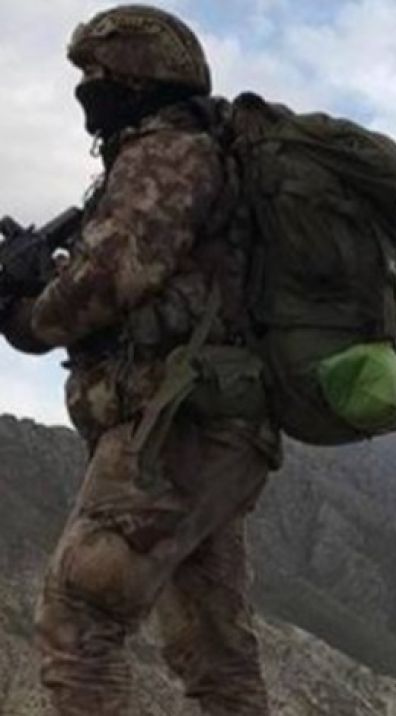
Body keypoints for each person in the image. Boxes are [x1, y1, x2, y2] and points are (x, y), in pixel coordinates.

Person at [2, 5, 278, 714]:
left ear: (137, 77)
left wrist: (25, 314)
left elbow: (105, 281)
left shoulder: (166, 154)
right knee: (216, 657)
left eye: (98, 73)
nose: (86, 89)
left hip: (169, 430)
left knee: (79, 625)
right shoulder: (209, 156)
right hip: (217, 430)